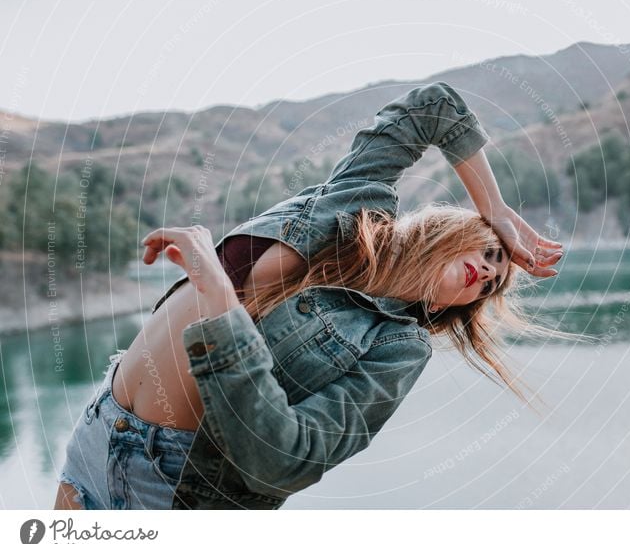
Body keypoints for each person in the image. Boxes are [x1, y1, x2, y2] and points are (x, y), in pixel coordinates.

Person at [53, 81, 563, 510]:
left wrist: (218, 297)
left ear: (446, 309)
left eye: (493, 283)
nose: (490, 273)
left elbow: (286, 459)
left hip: (172, 489)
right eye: (491, 254)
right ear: (448, 230)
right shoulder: (357, 202)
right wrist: (496, 210)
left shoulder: (398, 348)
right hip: (102, 426)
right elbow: (433, 106)